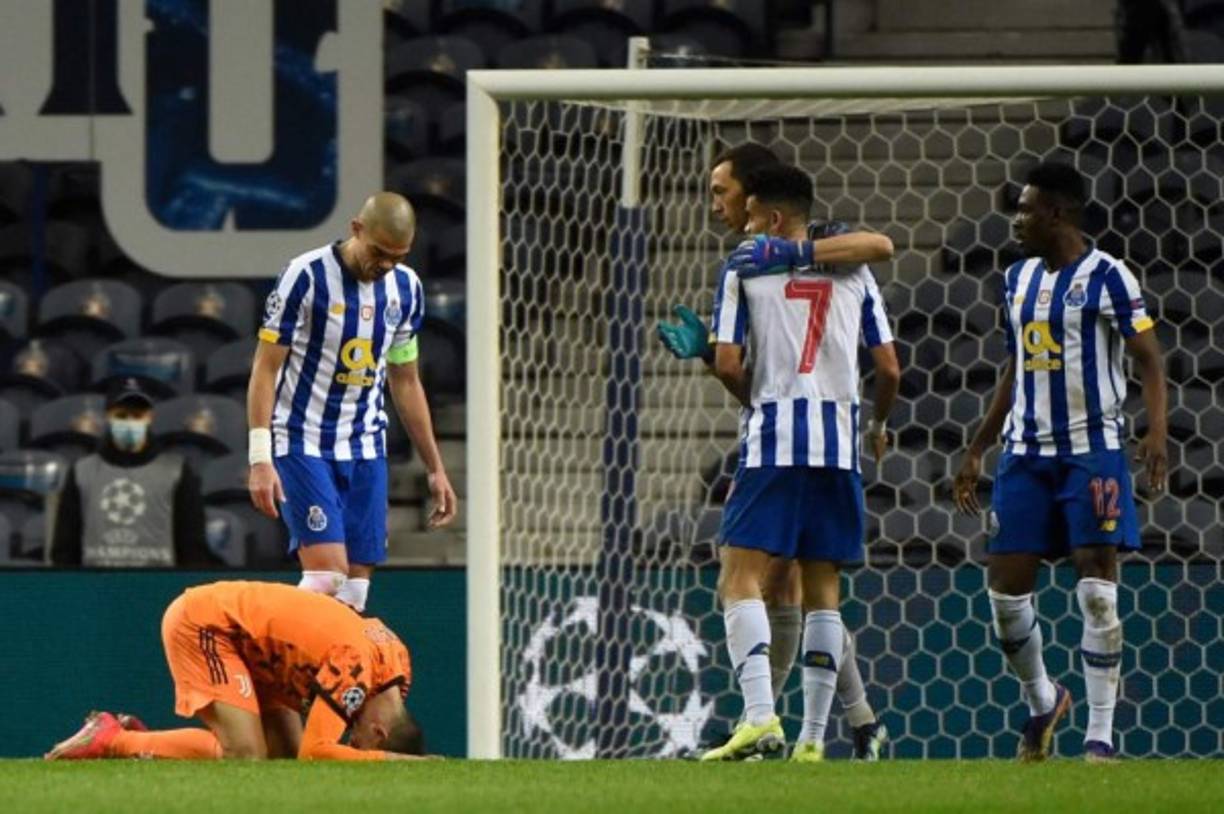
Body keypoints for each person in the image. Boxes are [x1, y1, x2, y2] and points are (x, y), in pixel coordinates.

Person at [660, 144, 894, 760]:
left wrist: (715, 358)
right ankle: (825, 731)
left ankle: (766, 718)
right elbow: (889, 366)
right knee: (812, 587)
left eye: (722, 191)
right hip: (837, 441)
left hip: (774, 439)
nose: (716, 204)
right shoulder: (844, 269)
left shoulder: (757, 263)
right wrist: (878, 422)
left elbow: (739, 367)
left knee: (751, 579)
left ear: (758, 202)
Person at [953, 161, 1167, 762]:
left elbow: (1149, 358)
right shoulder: (1017, 280)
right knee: (1005, 596)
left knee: (1097, 587)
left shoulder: (1110, 276)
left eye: (1024, 209)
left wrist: (1155, 431)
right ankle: (1044, 700)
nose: (1015, 220)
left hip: (1092, 453)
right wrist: (977, 447)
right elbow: (1016, 367)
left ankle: (1100, 735)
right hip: (1024, 456)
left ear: (1057, 213)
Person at [247, 192, 458, 613]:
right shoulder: (304, 277)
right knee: (327, 577)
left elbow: (406, 379)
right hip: (302, 439)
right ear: (356, 229)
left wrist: (435, 467)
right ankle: (263, 637)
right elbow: (265, 370)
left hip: (365, 446)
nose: (386, 265)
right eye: (379, 253)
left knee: (354, 595)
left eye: (397, 257)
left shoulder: (406, 289)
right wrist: (259, 457)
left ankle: (328, 680)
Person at [45, 580, 424, 761]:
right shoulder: (356, 669)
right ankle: (113, 740)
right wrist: (394, 761)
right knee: (246, 755)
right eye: (361, 745)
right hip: (208, 624)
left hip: (265, 652)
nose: (351, 743)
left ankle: (142, 745)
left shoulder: (396, 663)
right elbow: (318, 751)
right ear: (379, 731)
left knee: (283, 757)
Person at [49, 377, 217, 567]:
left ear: (149, 417)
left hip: (160, 587)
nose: (129, 422)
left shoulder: (176, 471)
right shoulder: (82, 471)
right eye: (121, 415)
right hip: (96, 588)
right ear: (108, 416)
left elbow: (192, 546)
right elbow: (65, 548)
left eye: (137, 415)